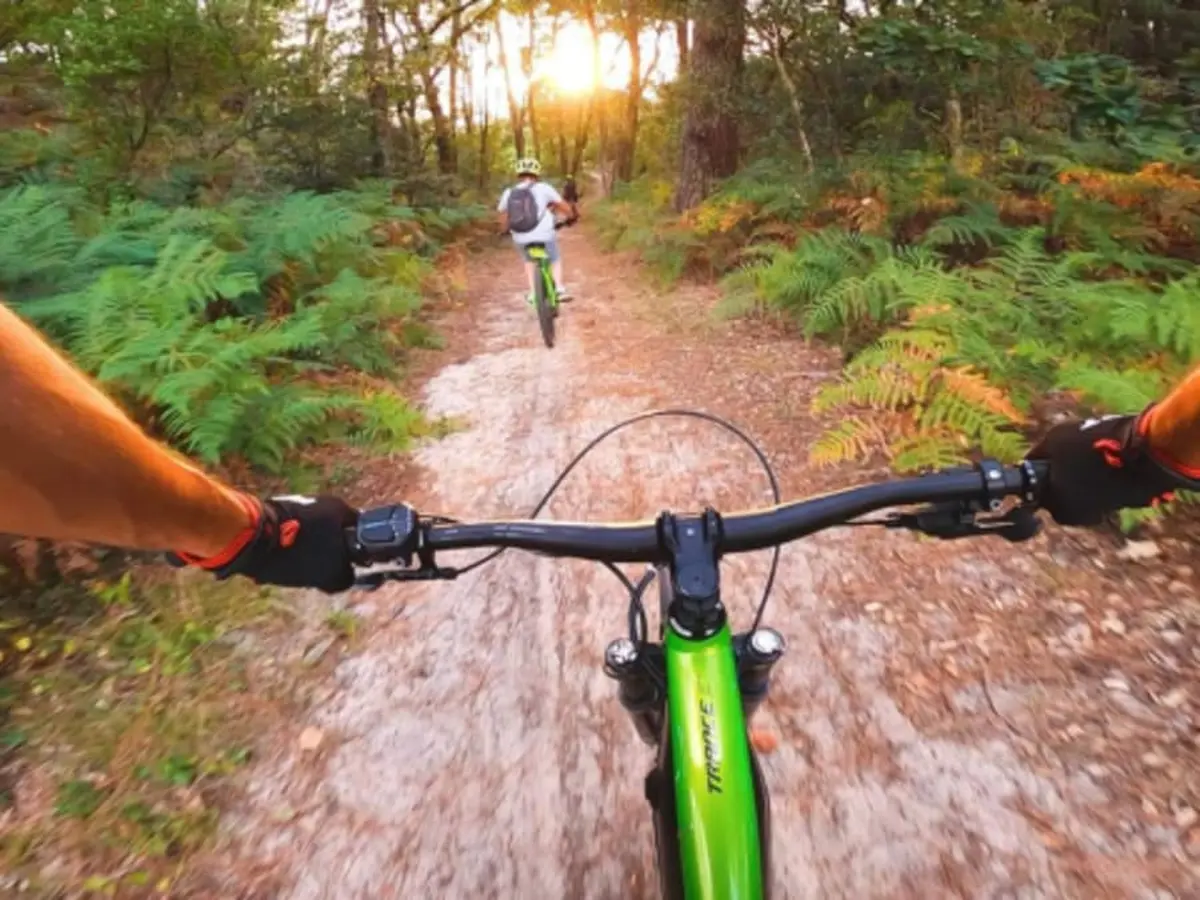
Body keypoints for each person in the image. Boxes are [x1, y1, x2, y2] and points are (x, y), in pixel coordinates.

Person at [1, 298, 1198, 595]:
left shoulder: (529, 194)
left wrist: (251, 535)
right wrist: (1135, 455)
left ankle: (550, 300)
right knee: (545, 266)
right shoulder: (538, 195)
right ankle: (547, 299)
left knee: (547, 266)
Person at [497, 157, 575, 302]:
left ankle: (533, 293)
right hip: (544, 234)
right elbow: (562, 206)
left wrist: (504, 230)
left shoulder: (509, 192)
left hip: (520, 236)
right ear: (537, 174)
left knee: (528, 260)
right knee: (554, 257)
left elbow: (503, 215)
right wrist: (571, 216)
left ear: (518, 175)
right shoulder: (545, 188)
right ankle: (559, 289)